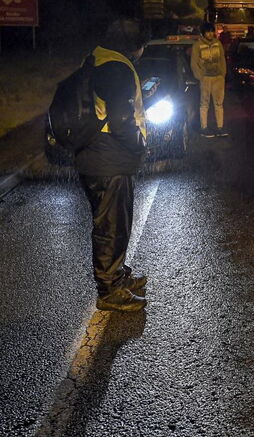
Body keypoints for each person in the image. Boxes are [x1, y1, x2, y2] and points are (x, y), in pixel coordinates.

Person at [75, 19, 150, 312]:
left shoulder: (95, 59)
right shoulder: (117, 67)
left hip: (95, 154)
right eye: (141, 46)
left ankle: (117, 276)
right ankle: (108, 291)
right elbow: (120, 120)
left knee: (113, 222)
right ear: (132, 46)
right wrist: (139, 144)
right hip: (110, 158)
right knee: (110, 226)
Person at [191, 22, 228, 137]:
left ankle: (220, 128)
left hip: (218, 78)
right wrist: (200, 76)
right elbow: (194, 63)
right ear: (203, 33)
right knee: (204, 103)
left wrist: (223, 73)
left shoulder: (218, 43)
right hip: (205, 78)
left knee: (219, 104)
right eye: (208, 31)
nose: (210, 34)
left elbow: (222, 59)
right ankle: (204, 128)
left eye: (212, 31)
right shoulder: (197, 45)